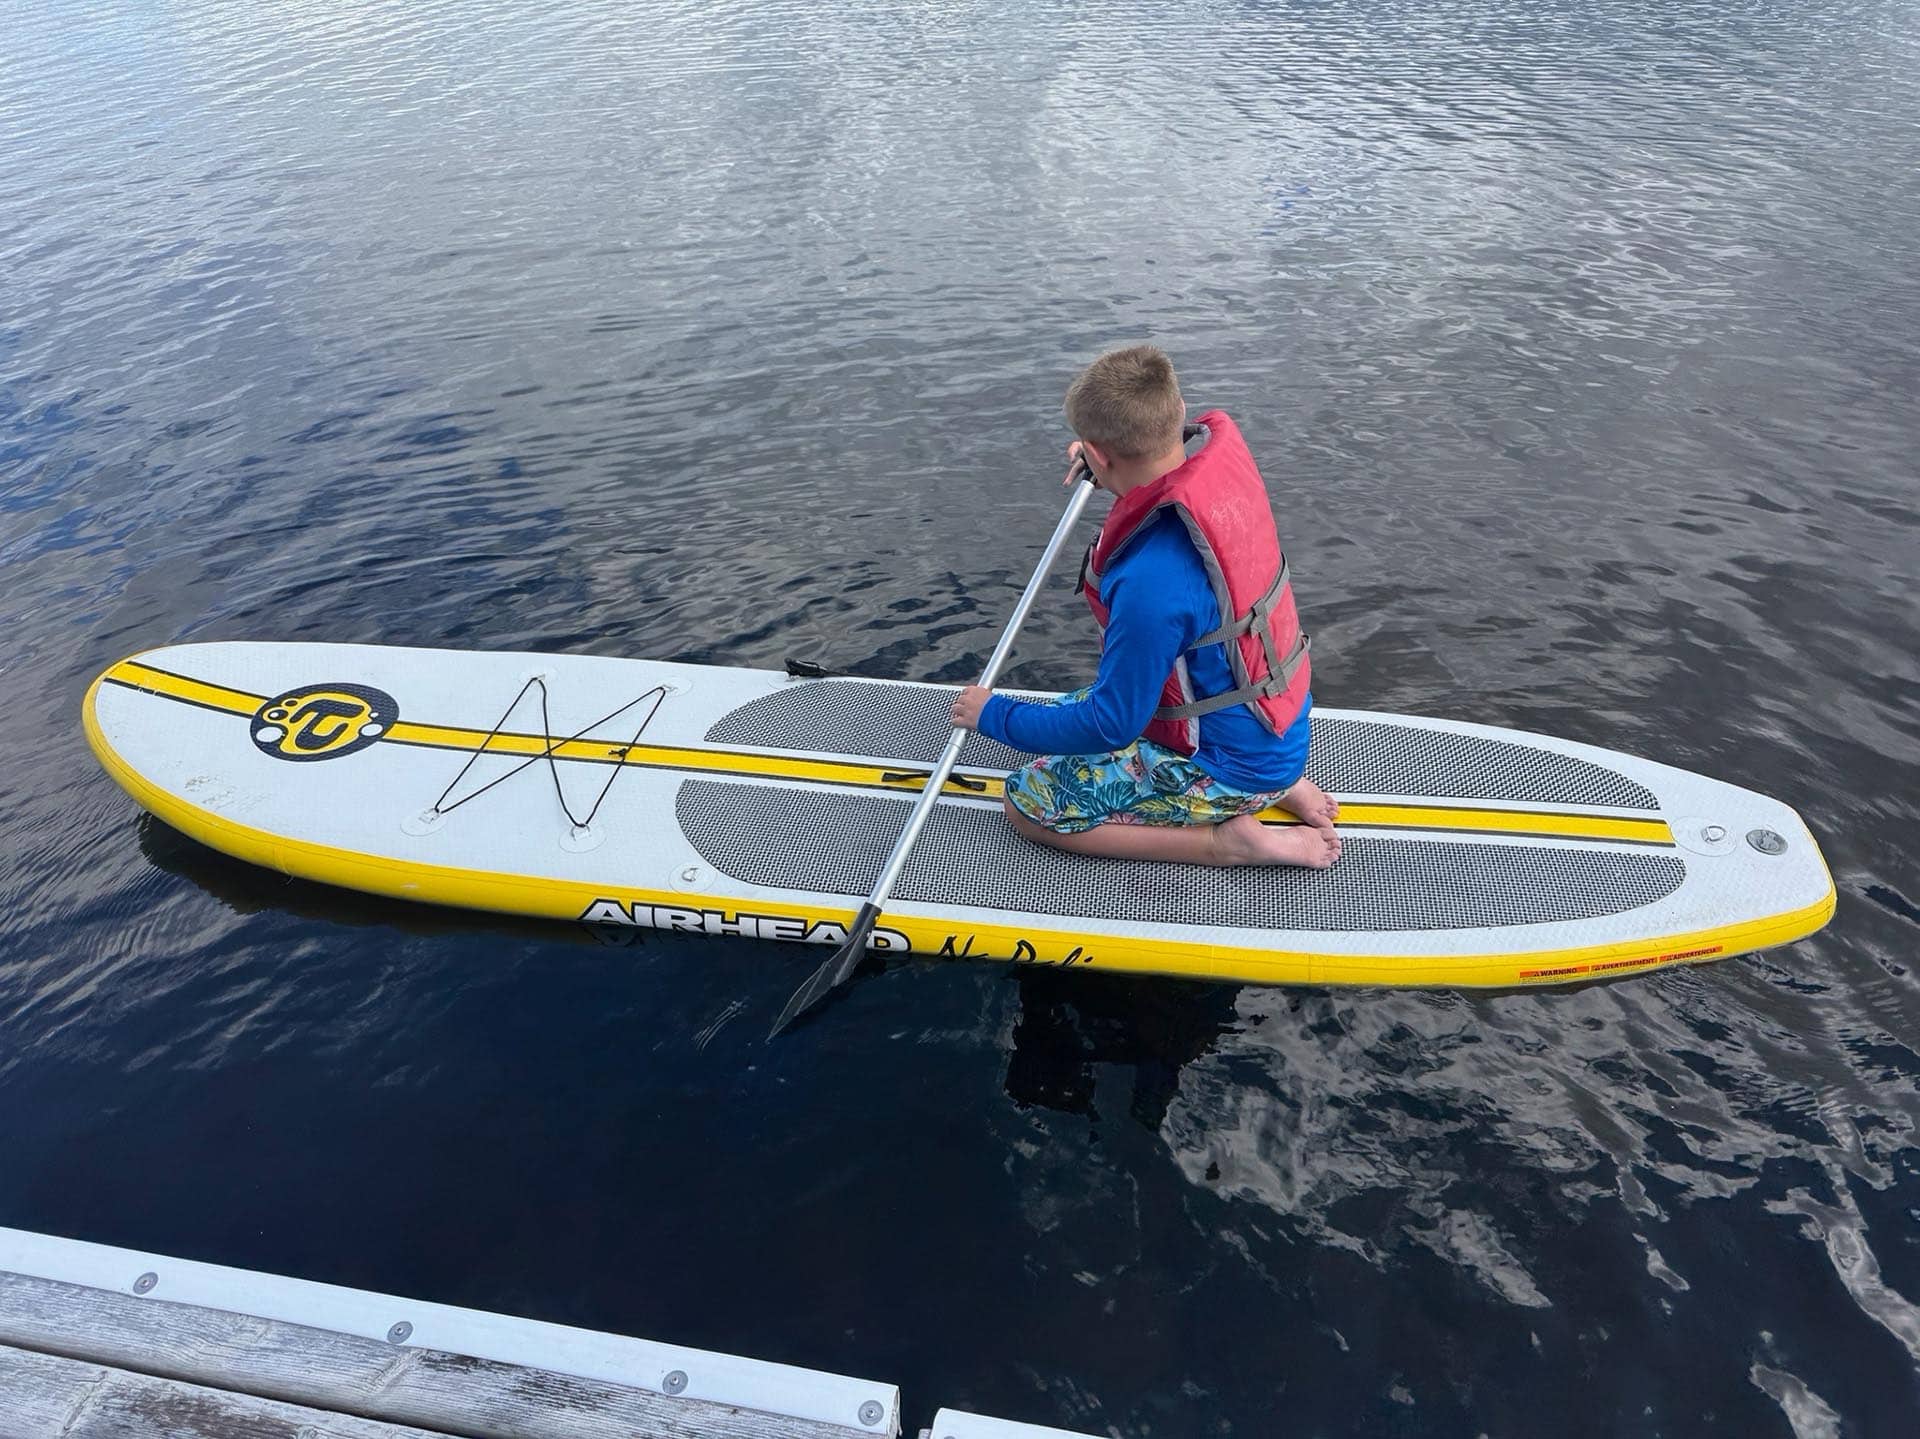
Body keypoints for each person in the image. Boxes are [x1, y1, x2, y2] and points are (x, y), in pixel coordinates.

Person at [951, 345, 1340, 868]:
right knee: (1069, 708)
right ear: (1177, 414)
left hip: (1228, 762)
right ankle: (1278, 779)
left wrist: (992, 716)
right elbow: (1143, 464)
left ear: (1101, 452)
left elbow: (1113, 725)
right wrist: (1099, 461)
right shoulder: (1211, 474)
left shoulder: (1149, 584)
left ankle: (1227, 842)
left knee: (1027, 800)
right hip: (1271, 725)